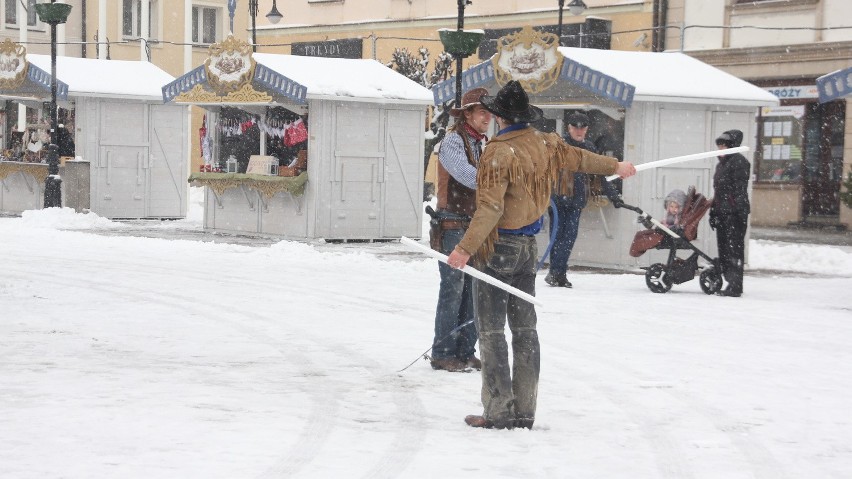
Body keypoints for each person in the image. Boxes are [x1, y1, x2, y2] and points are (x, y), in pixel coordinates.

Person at [446, 81, 635, 429]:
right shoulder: (547, 143)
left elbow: (489, 208)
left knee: (491, 333)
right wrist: (615, 165)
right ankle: (525, 410)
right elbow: (580, 158)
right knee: (525, 330)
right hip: (528, 250)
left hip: (498, 248)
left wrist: (463, 249)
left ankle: (500, 411)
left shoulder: (498, 153)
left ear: (501, 117)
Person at [429, 87, 491, 372]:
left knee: (473, 290)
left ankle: (466, 350)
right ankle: (443, 352)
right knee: (453, 289)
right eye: (482, 112)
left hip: (474, 225)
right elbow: (467, 177)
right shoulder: (452, 142)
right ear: (467, 114)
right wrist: (498, 184)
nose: (487, 117)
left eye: (489, 112)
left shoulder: (483, 144)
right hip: (452, 224)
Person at [545, 111, 624, 288]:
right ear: (569, 128)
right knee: (557, 238)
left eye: (582, 128)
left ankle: (558, 273)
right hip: (557, 201)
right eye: (575, 127)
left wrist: (613, 196)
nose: (578, 131)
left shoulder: (589, 148)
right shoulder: (560, 146)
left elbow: (601, 174)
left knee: (569, 238)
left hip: (576, 201)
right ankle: (556, 273)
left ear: (587, 129)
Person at [709, 129, 750, 298]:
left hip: (734, 214)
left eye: (724, 145)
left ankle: (735, 285)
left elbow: (739, 190)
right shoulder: (721, 165)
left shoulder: (740, 162)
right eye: (719, 145)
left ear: (732, 146)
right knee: (724, 249)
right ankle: (729, 280)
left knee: (734, 249)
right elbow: (718, 191)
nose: (720, 148)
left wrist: (737, 212)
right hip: (722, 213)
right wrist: (714, 211)